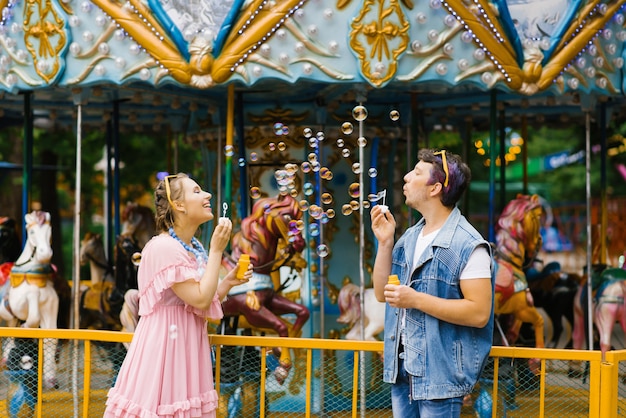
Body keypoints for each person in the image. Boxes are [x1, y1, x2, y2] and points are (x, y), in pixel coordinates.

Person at [104, 173, 252, 418]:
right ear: (178, 205)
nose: (207, 195)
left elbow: (200, 300)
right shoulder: (164, 247)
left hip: (185, 347)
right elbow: (201, 299)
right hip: (165, 352)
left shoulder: (193, 247)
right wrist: (217, 250)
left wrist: (227, 282)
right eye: (197, 191)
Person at [370, 149, 494, 418]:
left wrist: (415, 299)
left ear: (436, 187)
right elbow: (382, 294)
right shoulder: (410, 238)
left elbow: (479, 312)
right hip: (403, 367)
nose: (405, 177)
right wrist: (385, 243)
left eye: (416, 173)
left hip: (441, 373)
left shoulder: (468, 244)